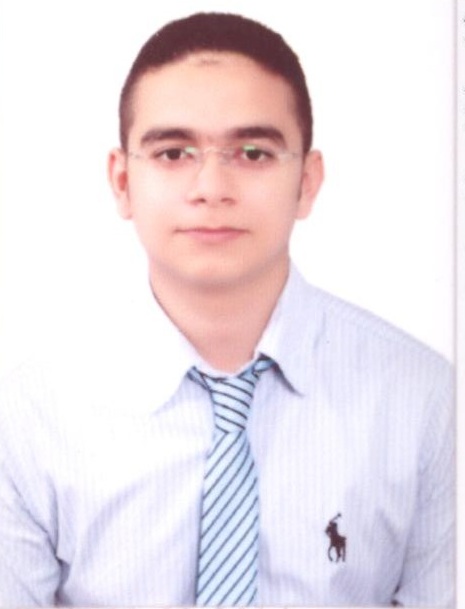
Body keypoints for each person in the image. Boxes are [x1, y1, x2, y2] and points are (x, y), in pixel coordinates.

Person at [0, 12, 454, 607]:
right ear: (122, 181)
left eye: (253, 152)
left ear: (307, 181)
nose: (211, 187)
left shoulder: (426, 402)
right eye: (173, 153)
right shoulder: (29, 414)